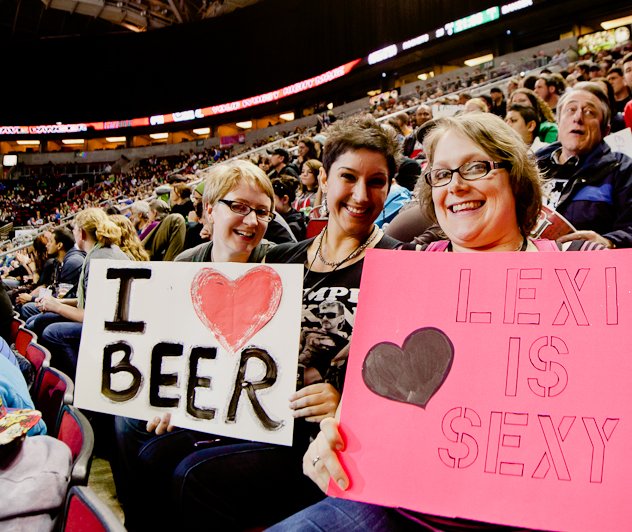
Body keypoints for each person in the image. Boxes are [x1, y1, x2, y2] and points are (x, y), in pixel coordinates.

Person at [269, 111, 604, 532]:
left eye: (477, 167)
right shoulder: (403, 272)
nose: (457, 186)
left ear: (514, 177)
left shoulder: (579, 273)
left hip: (529, 518)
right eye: (442, 174)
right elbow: (366, 390)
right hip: (394, 506)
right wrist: (337, 430)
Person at [120, 117, 402, 531]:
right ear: (324, 179)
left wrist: (345, 401)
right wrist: (181, 393)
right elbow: (230, 336)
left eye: (377, 181)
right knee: (151, 453)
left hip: (322, 440)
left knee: (193, 477)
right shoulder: (281, 257)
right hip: (258, 417)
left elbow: (404, 375)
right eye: (348, 177)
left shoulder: (398, 265)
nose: (361, 195)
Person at [536, 82, 632, 249]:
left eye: (589, 112)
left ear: (605, 130)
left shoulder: (624, 171)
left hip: (589, 267)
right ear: (559, 124)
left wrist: (609, 242)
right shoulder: (530, 167)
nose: (578, 118)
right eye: (570, 110)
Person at [34, 208, 129, 378]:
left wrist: (56, 306)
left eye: (75, 229)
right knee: (42, 320)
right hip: (112, 320)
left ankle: (83, 383)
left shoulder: (97, 260)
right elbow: (93, 301)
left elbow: (92, 315)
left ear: (82, 233)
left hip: (110, 326)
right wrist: (57, 302)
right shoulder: (108, 252)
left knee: (52, 332)